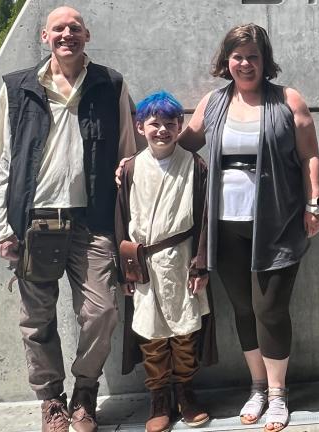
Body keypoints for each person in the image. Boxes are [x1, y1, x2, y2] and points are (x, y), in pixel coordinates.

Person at [0, 6, 136, 432]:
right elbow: (0, 161)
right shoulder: (17, 88)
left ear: (86, 34)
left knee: (103, 311)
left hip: (93, 222)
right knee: (36, 320)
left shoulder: (111, 84)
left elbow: (127, 156)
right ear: (43, 36)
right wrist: (0, 227)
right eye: (59, 29)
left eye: (75, 28)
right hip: (34, 223)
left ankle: (85, 392)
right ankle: (51, 400)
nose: (67, 34)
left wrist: (129, 222)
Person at [178, 23, 319, 432]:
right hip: (225, 226)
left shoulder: (287, 100)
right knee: (243, 309)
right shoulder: (214, 103)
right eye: (237, 56)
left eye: (252, 56)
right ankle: (257, 387)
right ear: (227, 61)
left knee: (270, 310)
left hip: (276, 223)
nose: (245, 63)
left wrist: (315, 203)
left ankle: (278, 394)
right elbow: (182, 144)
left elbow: (310, 155)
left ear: (265, 61)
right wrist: (134, 161)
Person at [115, 91, 217, 432]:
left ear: (180, 126)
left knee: (185, 331)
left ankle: (185, 392)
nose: (162, 130)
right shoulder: (130, 168)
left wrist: (201, 263)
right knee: (152, 334)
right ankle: (159, 397)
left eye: (170, 124)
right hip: (143, 263)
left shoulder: (194, 165)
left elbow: (205, 218)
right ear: (140, 126)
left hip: (182, 259)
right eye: (154, 124)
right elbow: (120, 220)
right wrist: (125, 269)